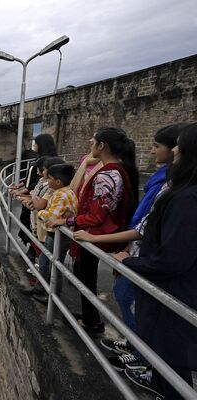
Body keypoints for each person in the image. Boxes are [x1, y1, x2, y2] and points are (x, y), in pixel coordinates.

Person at [73, 123, 184, 370]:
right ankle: (136, 345)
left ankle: (143, 355)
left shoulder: (110, 174)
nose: (153, 150)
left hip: (137, 248)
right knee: (129, 297)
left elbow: (98, 215)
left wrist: (73, 222)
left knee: (127, 296)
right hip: (133, 243)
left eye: (156, 146)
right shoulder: (143, 175)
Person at [114, 122, 197, 400]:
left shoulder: (186, 199)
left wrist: (130, 262)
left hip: (175, 293)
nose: (174, 150)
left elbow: (172, 259)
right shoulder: (184, 193)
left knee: (171, 358)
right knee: (168, 357)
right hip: (178, 291)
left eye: (178, 146)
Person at [53, 127, 139, 334]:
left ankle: (91, 322)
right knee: (85, 277)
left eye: (93, 142)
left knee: (86, 277)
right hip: (97, 232)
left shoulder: (107, 175)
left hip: (94, 234)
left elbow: (96, 216)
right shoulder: (118, 170)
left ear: (102, 146)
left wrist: (68, 220)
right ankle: (90, 317)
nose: (90, 145)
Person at [21, 163, 78, 303]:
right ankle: (40, 287)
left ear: (58, 182)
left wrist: (39, 212)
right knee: (44, 261)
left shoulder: (62, 195)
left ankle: (54, 297)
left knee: (55, 266)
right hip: (53, 234)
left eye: (50, 179)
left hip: (59, 236)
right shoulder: (63, 192)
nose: (47, 181)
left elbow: (52, 217)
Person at [11, 134, 58, 262]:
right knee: (34, 229)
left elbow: (36, 184)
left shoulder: (46, 163)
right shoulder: (49, 159)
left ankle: (32, 254)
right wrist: (21, 188)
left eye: (36, 143)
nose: (34, 145)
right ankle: (32, 252)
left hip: (37, 205)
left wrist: (23, 193)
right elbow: (31, 180)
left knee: (36, 230)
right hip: (35, 201)